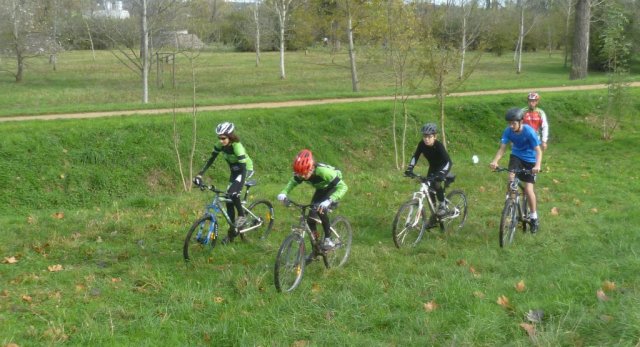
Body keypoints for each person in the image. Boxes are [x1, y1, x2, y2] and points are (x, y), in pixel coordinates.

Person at [193, 122, 254, 243]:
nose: (221, 140)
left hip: (245, 170)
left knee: (233, 193)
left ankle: (242, 216)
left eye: (223, 138)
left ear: (230, 136)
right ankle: (232, 232)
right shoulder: (220, 145)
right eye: (219, 138)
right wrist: (199, 174)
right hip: (234, 171)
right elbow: (210, 160)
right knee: (229, 201)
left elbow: (242, 169)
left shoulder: (237, 147)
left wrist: (237, 187)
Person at [277, 149, 348, 251]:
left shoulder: (323, 172)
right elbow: (293, 182)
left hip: (332, 186)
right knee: (310, 218)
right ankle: (317, 247)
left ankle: (329, 240)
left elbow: (343, 187)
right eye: (300, 174)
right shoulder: (301, 173)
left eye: (304, 174)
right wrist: (284, 192)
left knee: (321, 210)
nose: (303, 177)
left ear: (311, 168)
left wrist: (329, 200)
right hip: (321, 188)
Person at [489, 108, 543, 233]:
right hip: (516, 157)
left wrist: (537, 165)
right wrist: (495, 161)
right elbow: (502, 148)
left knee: (528, 189)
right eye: (509, 123)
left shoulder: (529, 132)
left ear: (521, 121)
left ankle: (534, 217)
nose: (511, 126)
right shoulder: (508, 131)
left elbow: (538, 151)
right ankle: (511, 205)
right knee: (511, 179)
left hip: (530, 160)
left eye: (514, 123)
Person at [404, 123, 452, 219]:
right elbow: (415, 156)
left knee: (437, 184)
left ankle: (442, 205)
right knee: (429, 187)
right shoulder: (422, 144)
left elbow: (448, 162)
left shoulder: (439, 146)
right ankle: (434, 213)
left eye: (429, 137)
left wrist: (442, 174)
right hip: (433, 167)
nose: (426, 139)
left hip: (442, 167)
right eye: (425, 136)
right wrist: (410, 168)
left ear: (435, 136)